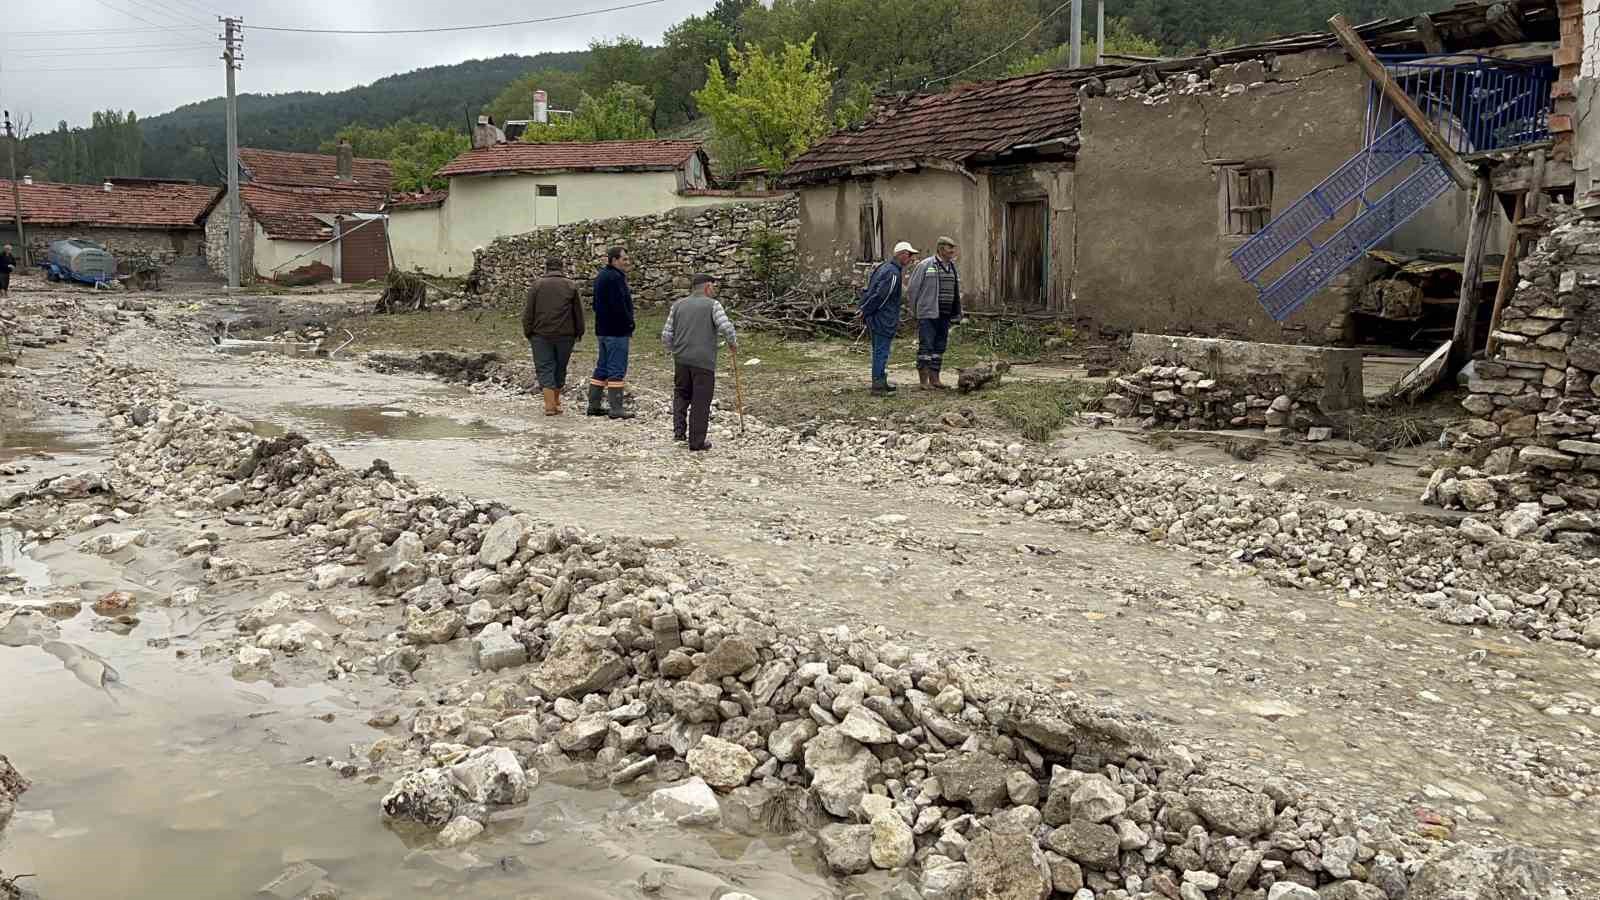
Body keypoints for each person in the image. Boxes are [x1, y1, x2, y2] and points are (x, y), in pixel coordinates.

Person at [661, 273, 738, 452]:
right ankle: (696, 442)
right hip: (703, 361)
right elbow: (725, 327)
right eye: (713, 286)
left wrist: (674, 350)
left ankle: (679, 433)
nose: (714, 290)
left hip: (681, 359)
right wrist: (733, 343)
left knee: (681, 394)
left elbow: (666, 335)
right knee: (700, 400)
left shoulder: (678, 305)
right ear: (707, 287)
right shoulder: (713, 305)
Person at [522, 255, 584, 416]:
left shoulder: (537, 285)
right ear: (562, 268)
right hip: (566, 334)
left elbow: (529, 312)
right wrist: (579, 331)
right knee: (560, 367)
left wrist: (528, 331)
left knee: (545, 367)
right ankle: (556, 402)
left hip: (540, 334)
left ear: (546, 268)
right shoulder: (571, 286)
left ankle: (550, 405)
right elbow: (578, 312)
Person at [859, 241, 917, 395]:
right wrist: (866, 311)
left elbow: (870, 291)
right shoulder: (893, 272)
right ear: (902, 254)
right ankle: (878, 386)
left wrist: (865, 310)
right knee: (881, 351)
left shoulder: (884, 268)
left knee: (879, 350)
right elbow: (881, 296)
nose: (911, 259)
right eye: (910, 255)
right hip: (882, 318)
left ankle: (881, 381)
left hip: (877, 316)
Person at [907, 236, 963, 390]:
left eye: (953, 248)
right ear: (940, 249)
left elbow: (956, 291)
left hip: (945, 315)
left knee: (939, 347)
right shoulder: (926, 265)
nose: (952, 251)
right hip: (928, 313)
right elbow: (913, 289)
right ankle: (923, 381)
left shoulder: (952, 267)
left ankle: (935, 379)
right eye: (949, 248)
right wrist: (915, 310)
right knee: (926, 346)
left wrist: (957, 311)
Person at [589, 246, 636, 419]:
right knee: (616, 368)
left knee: (602, 367)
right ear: (614, 260)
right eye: (624, 259)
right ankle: (616, 408)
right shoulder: (615, 278)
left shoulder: (601, 276)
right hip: (616, 331)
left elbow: (595, 304)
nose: (627, 262)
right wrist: (629, 323)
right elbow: (620, 305)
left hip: (602, 329)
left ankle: (593, 405)